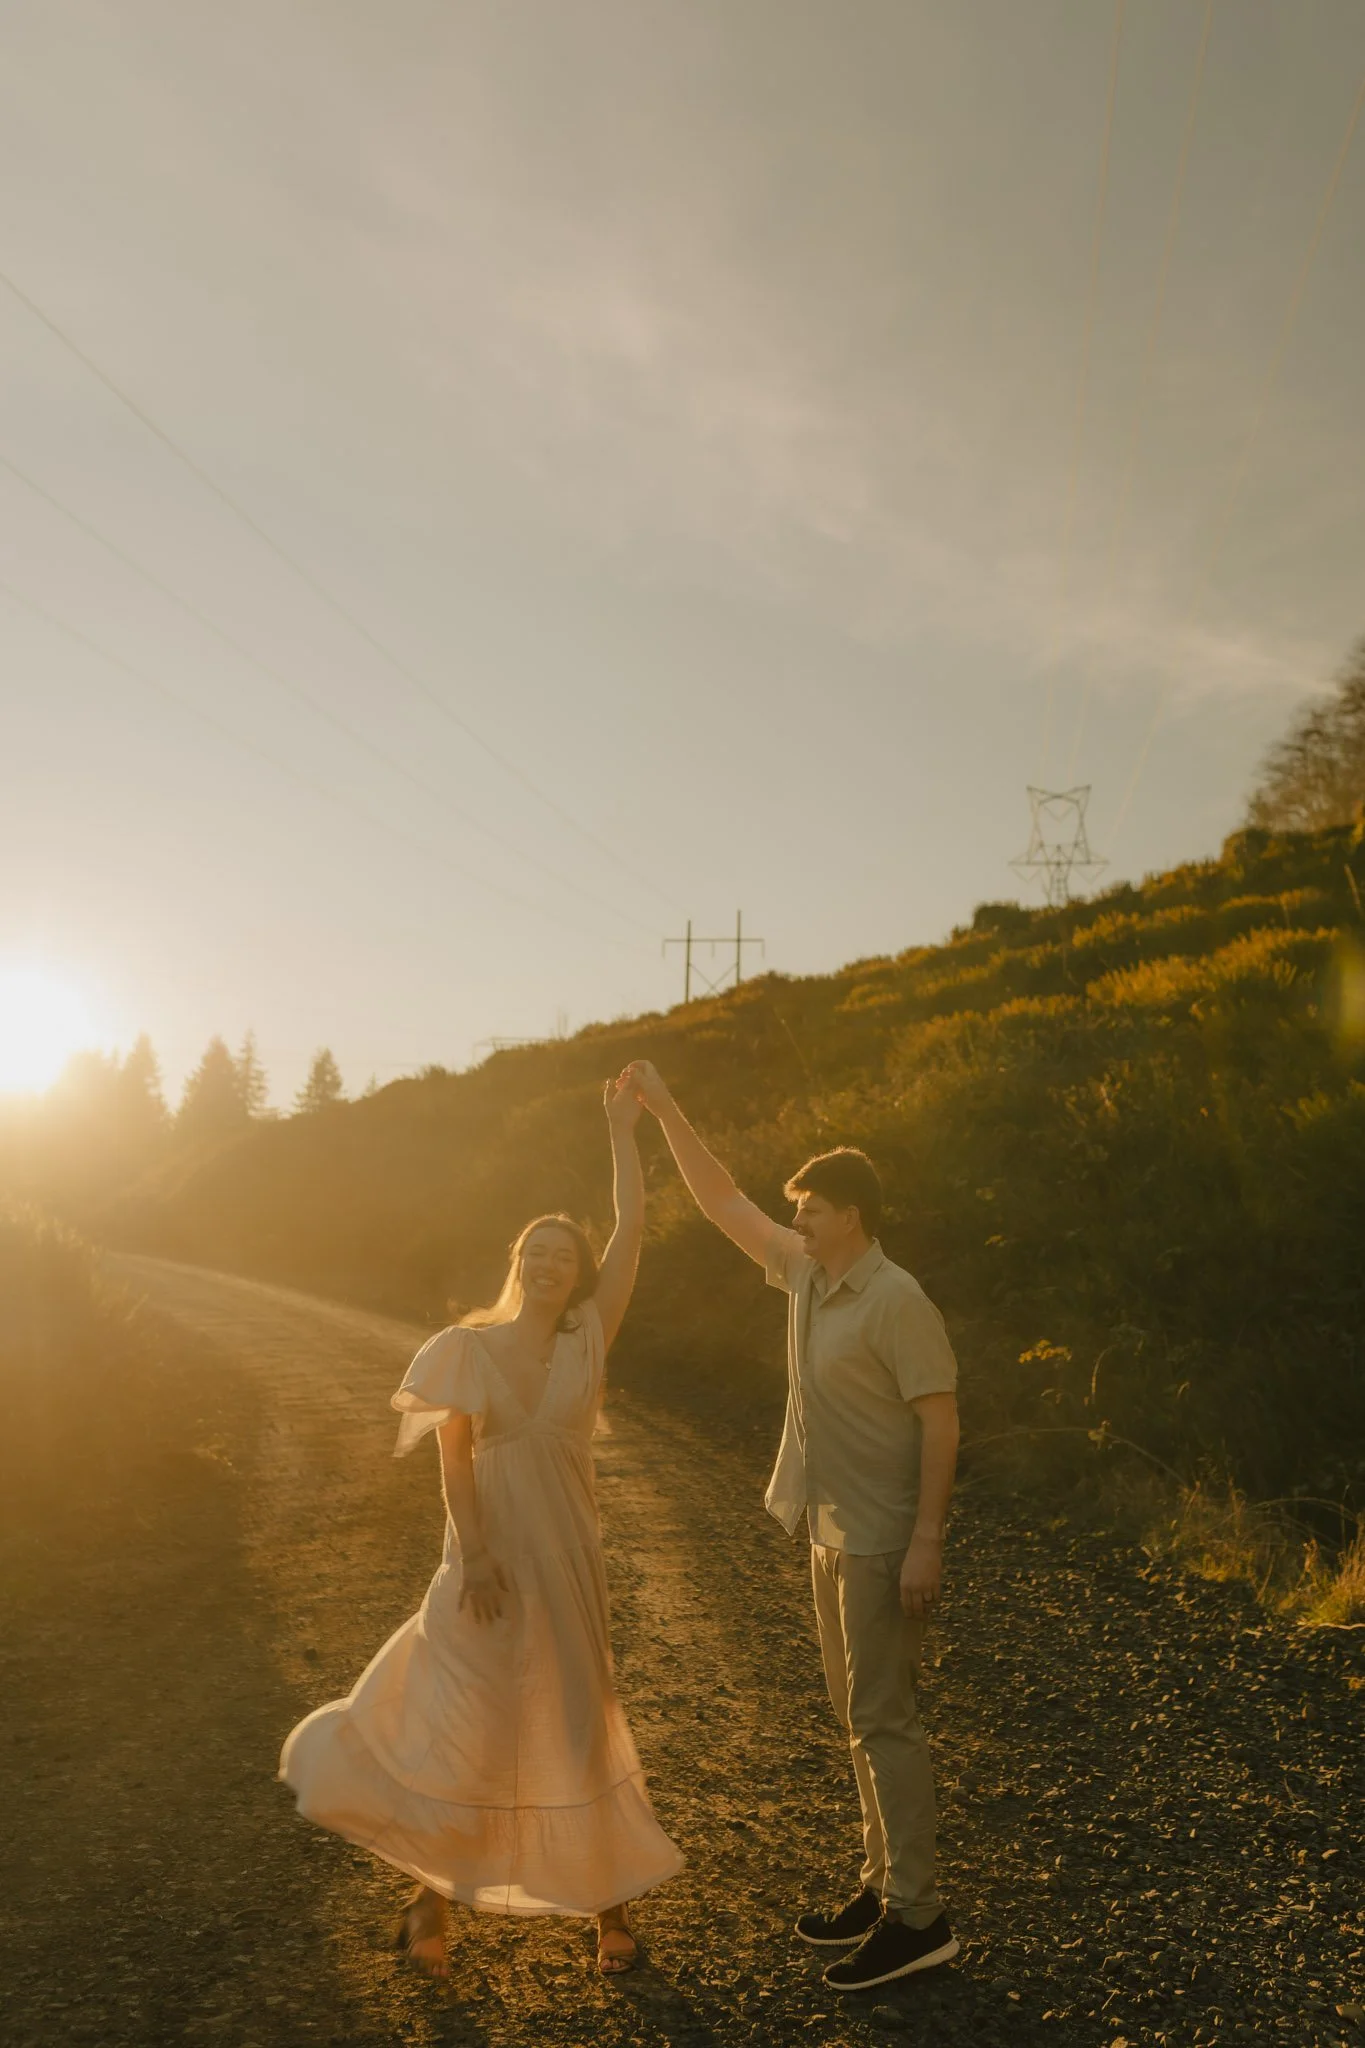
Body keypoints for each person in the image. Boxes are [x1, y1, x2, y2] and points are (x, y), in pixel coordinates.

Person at [279, 1078, 683, 1979]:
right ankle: (429, 1905)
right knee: (467, 1725)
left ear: (576, 1276)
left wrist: (623, 1131)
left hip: (570, 1559)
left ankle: (607, 1910)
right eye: (536, 1252)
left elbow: (630, 1232)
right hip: (487, 1562)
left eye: (563, 1257)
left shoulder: (589, 1340)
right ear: (517, 1262)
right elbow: (452, 1461)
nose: (550, 1265)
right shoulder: (464, 1347)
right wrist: (476, 1557)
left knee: (578, 1723)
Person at [622, 1059, 960, 1994]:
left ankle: (921, 1918)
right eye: (797, 1211)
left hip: (887, 1536)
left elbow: (941, 1418)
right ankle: (880, 1883)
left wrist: (927, 1539)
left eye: (810, 1207)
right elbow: (722, 1199)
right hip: (829, 1528)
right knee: (858, 1719)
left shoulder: (897, 1299)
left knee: (885, 1720)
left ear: (849, 1212)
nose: (797, 1220)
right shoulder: (808, 1276)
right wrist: (663, 1106)